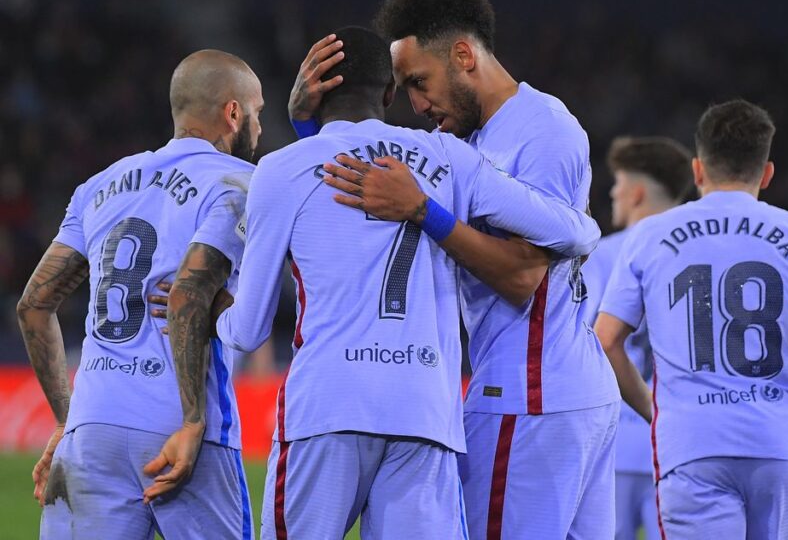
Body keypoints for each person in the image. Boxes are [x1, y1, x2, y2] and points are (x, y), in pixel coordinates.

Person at [214, 26, 600, 539]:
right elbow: (571, 231)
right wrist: (589, 225)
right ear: (390, 93)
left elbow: (247, 331)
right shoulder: (447, 158)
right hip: (424, 414)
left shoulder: (280, 170)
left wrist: (209, 306)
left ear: (314, 91)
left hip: (325, 411)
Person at [16, 49, 262, 539]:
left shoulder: (99, 185)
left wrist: (70, 422)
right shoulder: (237, 183)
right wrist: (194, 420)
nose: (259, 127)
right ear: (234, 112)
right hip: (180, 427)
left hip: (93, 429)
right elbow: (189, 295)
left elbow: (34, 305)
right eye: (257, 113)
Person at [594, 100, 788, 538]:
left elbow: (606, 340)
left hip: (691, 443)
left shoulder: (649, 235)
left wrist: (655, 411)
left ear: (699, 170)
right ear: (766, 174)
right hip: (781, 442)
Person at [580, 136, 693, 540]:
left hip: (613, 442)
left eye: (619, 182)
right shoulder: (698, 254)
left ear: (638, 192)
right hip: (684, 442)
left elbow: (587, 340)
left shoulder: (601, 255)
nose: (613, 191)